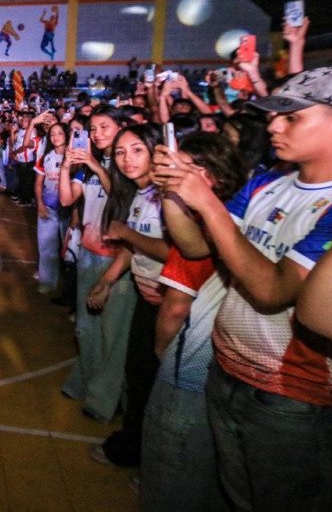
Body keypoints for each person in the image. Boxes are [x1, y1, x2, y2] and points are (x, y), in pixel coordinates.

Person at [154, 66, 332, 511]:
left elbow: (272, 290)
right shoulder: (266, 183)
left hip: (292, 396)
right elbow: (197, 246)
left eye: (292, 118)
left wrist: (205, 201)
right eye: (275, 116)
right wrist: (173, 191)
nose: (274, 126)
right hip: (228, 370)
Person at [140, 132, 247, 512]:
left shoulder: (217, 225)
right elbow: (189, 244)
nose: (172, 174)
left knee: (174, 474)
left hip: (191, 369)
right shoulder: (222, 221)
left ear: (211, 175)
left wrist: (164, 356)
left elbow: (175, 306)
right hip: (224, 374)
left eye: (183, 168)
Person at [87, 124, 167, 468]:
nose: (127, 159)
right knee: (139, 374)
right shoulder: (140, 194)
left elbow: (178, 251)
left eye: (137, 150)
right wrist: (106, 280)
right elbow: (132, 248)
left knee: (156, 382)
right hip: (149, 300)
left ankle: (149, 456)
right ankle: (135, 445)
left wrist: (125, 233)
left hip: (172, 307)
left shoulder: (169, 197)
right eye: (120, 152)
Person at [58, 106, 134, 423]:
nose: (97, 134)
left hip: (117, 258)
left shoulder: (128, 164)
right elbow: (66, 199)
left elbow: (121, 199)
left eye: (104, 127)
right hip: (89, 252)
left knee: (112, 333)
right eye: (93, 129)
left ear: (121, 127)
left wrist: (94, 165)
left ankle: (106, 399)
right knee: (85, 327)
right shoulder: (91, 166)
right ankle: (86, 381)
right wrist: (66, 167)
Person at [34, 121, 69, 295]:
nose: (55, 137)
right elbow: (38, 183)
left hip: (68, 211)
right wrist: (40, 204)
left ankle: (70, 289)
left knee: (70, 252)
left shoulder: (74, 157)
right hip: (49, 208)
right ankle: (47, 280)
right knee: (46, 247)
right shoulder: (45, 157)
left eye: (60, 133)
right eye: (52, 134)